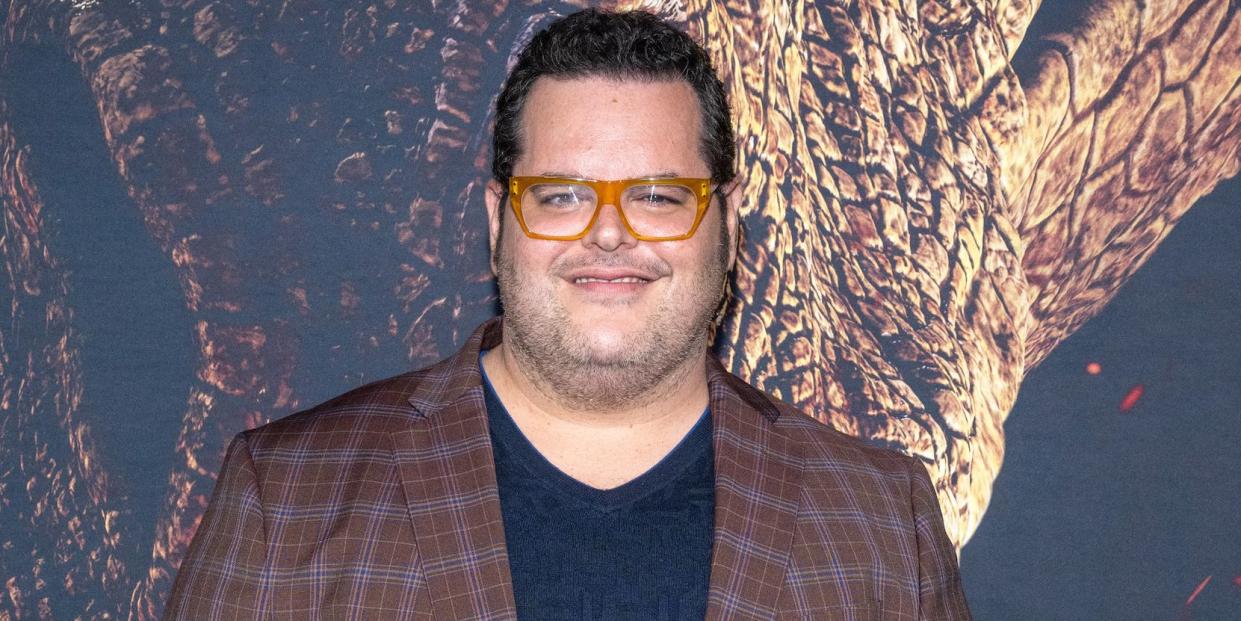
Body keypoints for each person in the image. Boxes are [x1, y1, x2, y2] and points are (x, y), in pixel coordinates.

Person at [165, 8, 971, 620]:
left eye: (658, 196)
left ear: (726, 224)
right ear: (497, 224)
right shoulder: (290, 497)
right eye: (561, 196)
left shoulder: (876, 517)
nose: (609, 232)